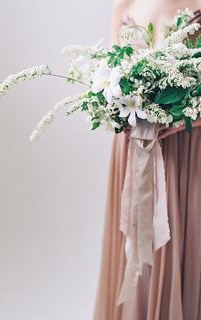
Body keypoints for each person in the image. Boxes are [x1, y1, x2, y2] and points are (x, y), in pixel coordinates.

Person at [93, 0, 201, 319]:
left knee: (186, 250)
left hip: (187, 151)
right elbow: (106, 78)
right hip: (133, 151)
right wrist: (113, 110)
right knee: (139, 260)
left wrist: (187, 117)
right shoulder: (123, 3)